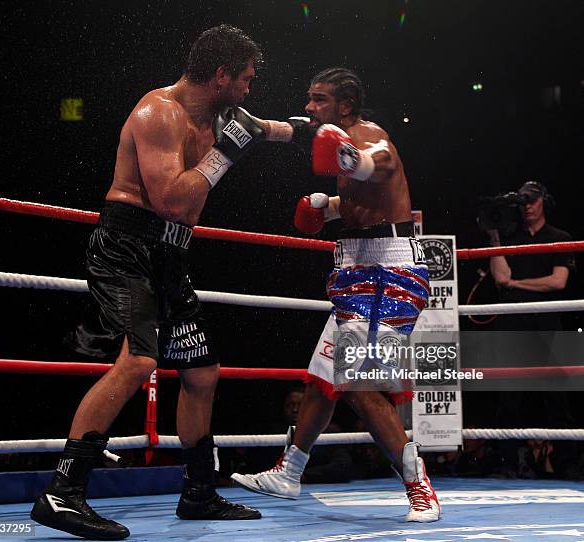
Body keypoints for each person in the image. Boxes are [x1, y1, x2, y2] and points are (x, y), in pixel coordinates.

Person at [29, 24, 297, 539]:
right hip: (127, 247)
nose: (248, 90)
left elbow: (264, 127)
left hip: (171, 253)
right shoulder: (159, 113)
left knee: (202, 371)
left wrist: (315, 132)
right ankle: (61, 493)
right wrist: (226, 153)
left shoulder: (219, 115)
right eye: (244, 79)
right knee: (138, 359)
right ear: (220, 76)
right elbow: (174, 199)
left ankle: (199, 493)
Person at [231, 68, 440, 522]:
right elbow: (300, 132)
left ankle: (419, 486)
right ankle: (289, 471)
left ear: (345, 106)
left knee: (360, 387)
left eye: (319, 100)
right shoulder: (331, 133)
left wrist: (350, 162)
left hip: (388, 273)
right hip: (357, 270)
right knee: (323, 376)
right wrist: (256, 129)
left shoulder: (371, 137)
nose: (310, 106)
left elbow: (377, 163)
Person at [486, 181, 576, 429]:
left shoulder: (560, 238)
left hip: (547, 319)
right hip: (513, 320)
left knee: (557, 395)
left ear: (543, 202)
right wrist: (494, 237)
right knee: (509, 395)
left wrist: (515, 283)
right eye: (523, 201)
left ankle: (565, 464)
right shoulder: (508, 238)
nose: (527, 206)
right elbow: (500, 278)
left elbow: (558, 282)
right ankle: (508, 466)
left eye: (532, 200)